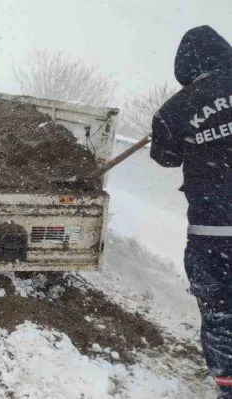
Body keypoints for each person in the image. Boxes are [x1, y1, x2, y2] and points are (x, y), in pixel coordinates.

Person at [150, 25, 232, 398]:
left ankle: (228, 383)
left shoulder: (176, 110)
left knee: (220, 310)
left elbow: (165, 158)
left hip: (213, 233)